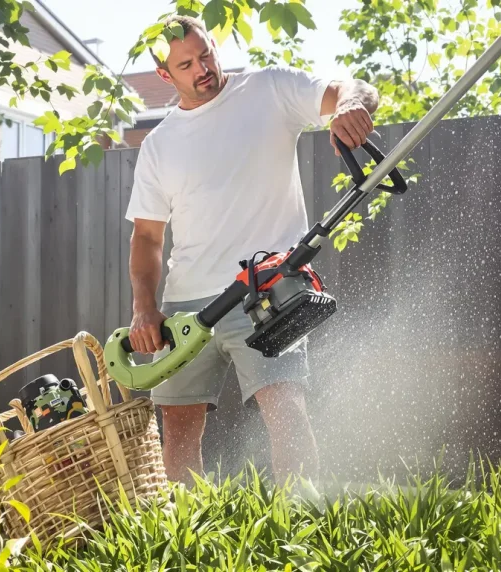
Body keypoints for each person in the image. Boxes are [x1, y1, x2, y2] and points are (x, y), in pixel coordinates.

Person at [123, 14, 379, 488]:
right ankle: (187, 529)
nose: (202, 68)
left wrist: (350, 105)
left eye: (205, 54)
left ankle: (298, 522)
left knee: (285, 408)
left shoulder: (269, 89)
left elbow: (352, 88)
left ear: (214, 46)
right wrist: (144, 307)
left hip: (267, 289)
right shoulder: (158, 145)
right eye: (185, 65)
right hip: (186, 304)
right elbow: (148, 238)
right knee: (178, 428)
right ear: (164, 75)